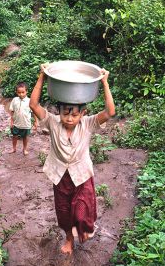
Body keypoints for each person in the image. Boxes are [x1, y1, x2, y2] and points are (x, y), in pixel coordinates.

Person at [30, 64, 115, 254]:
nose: (69, 119)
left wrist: (105, 83)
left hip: (81, 174)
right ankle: (69, 238)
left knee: (82, 209)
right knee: (64, 211)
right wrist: (42, 76)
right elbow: (33, 105)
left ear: (82, 114)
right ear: (59, 112)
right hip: (60, 175)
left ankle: (83, 229)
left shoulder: (88, 123)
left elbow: (110, 112)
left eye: (75, 114)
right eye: (65, 114)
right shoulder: (52, 122)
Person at [9, 82, 37, 155]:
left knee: (25, 137)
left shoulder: (30, 101)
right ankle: (14, 148)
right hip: (16, 123)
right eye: (19, 92)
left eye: (23, 92)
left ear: (26, 91)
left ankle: (24, 149)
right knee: (14, 136)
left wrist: (35, 122)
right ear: (16, 92)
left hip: (26, 123)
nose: (21, 94)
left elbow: (33, 113)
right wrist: (11, 122)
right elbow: (12, 111)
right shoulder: (15, 100)